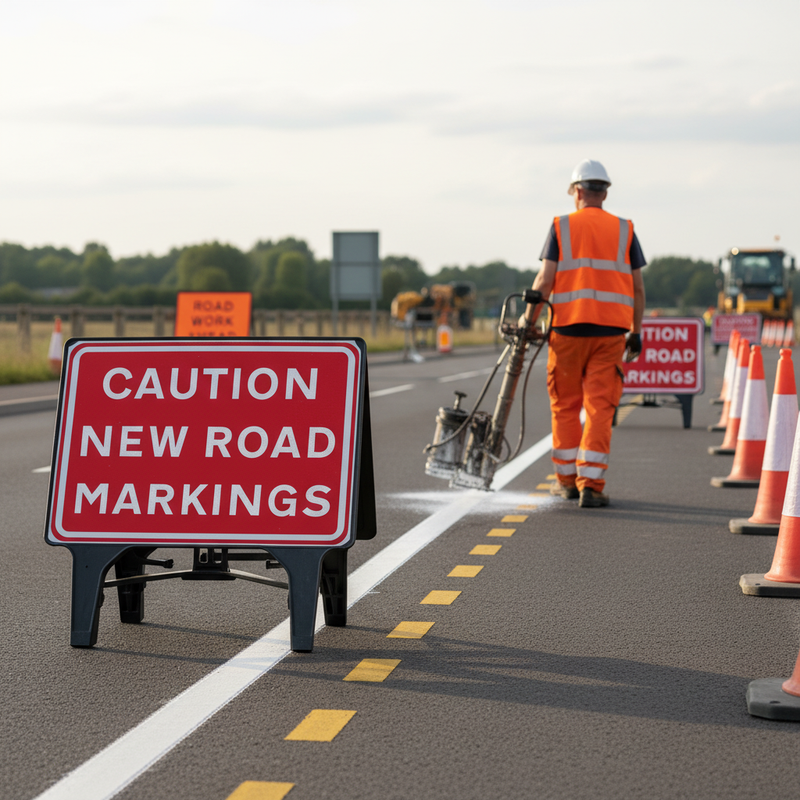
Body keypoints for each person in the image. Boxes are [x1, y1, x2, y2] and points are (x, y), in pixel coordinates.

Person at [521, 159, 646, 508]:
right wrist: (636, 331)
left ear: (577, 192)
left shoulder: (561, 227)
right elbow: (637, 288)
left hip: (566, 331)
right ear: (604, 193)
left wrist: (528, 322)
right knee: (600, 409)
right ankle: (591, 484)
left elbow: (544, 281)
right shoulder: (624, 229)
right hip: (610, 334)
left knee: (565, 407)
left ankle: (565, 482)